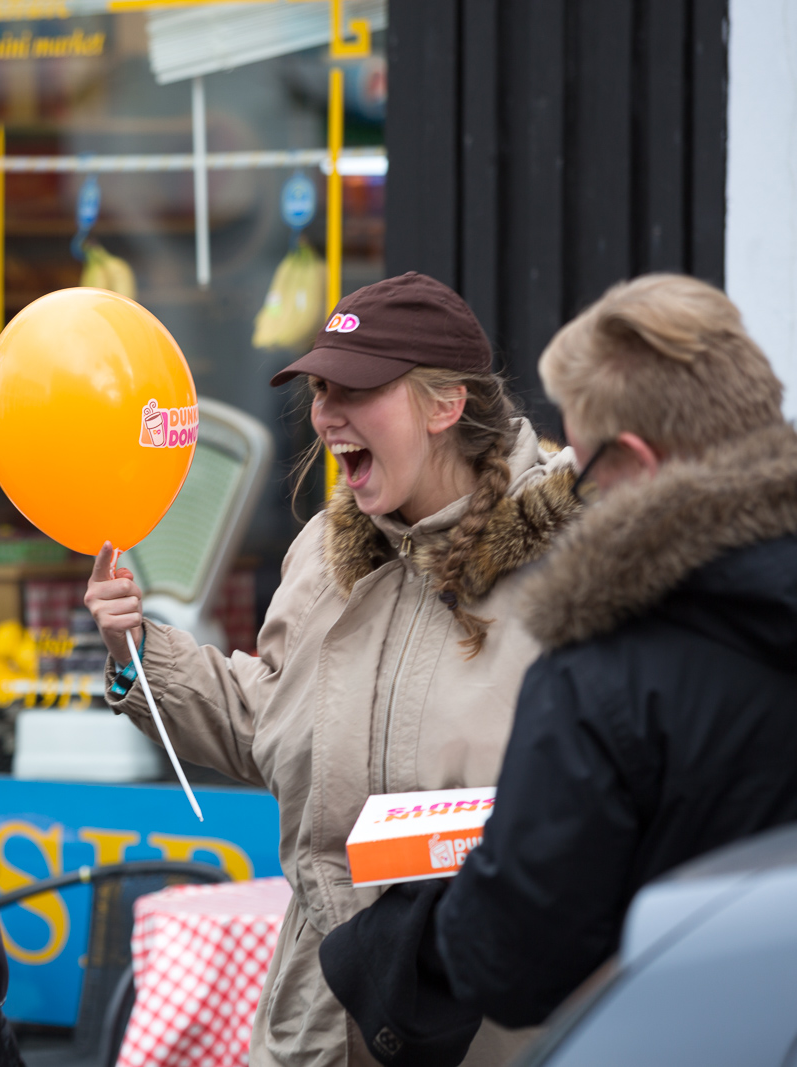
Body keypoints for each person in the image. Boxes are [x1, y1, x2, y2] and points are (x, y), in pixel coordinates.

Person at [84, 273, 582, 1067]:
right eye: (321, 388)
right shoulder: (323, 551)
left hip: (491, 1025)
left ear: (445, 404)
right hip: (320, 1022)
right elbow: (271, 723)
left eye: (356, 388)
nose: (325, 414)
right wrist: (139, 652)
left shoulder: (576, 563)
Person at [320, 274, 797, 1065]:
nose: (575, 480)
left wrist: (388, 945)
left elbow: (509, 956)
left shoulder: (605, 672)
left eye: (585, 460)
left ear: (639, 463)